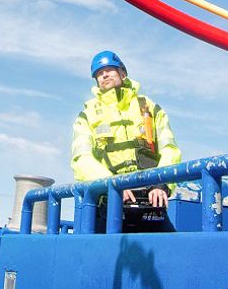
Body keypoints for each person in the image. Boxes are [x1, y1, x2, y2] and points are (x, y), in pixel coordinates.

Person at [71, 50, 181, 231]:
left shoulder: (149, 107)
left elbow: (169, 148)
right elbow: (81, 160)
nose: (104, 74)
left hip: (152, 198)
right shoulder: (87, 114)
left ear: (123, 73)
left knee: (167, 254)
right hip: (108, 202)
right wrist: (112, 186)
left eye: (109, 70)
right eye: (99, 73)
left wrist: (161, 184)